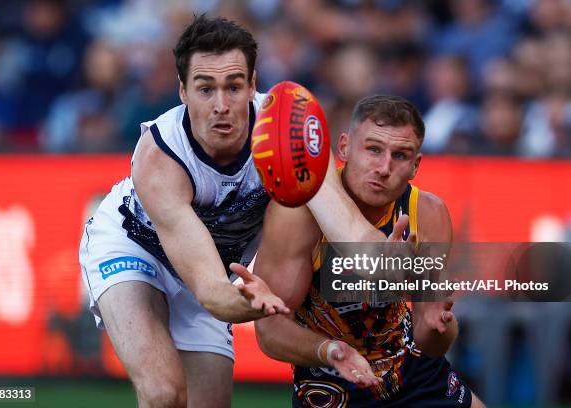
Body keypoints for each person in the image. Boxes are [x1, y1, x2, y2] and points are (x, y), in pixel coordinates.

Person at [79, 15, 394, 408]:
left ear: (253, 86)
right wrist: (251, 302)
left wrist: (385, 257)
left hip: (214, 269)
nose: (221, 106)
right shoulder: (161, 158)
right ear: (182, 92)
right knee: (164, 393)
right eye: (205, 89)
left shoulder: (288, 129)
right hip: (133, 250)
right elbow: (212, 293)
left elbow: (343, 220)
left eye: (233, 86)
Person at [250, 95, 486, 407]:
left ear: (416, 165)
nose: (384, 167)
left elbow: (430, 342)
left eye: (400, 155)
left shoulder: (426, 213)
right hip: (332, 384)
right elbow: (270, 331)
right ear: (344, 147)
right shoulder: (298, 215)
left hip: (414, 374)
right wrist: (332, 351)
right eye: (373, 149)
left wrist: (440, 325)